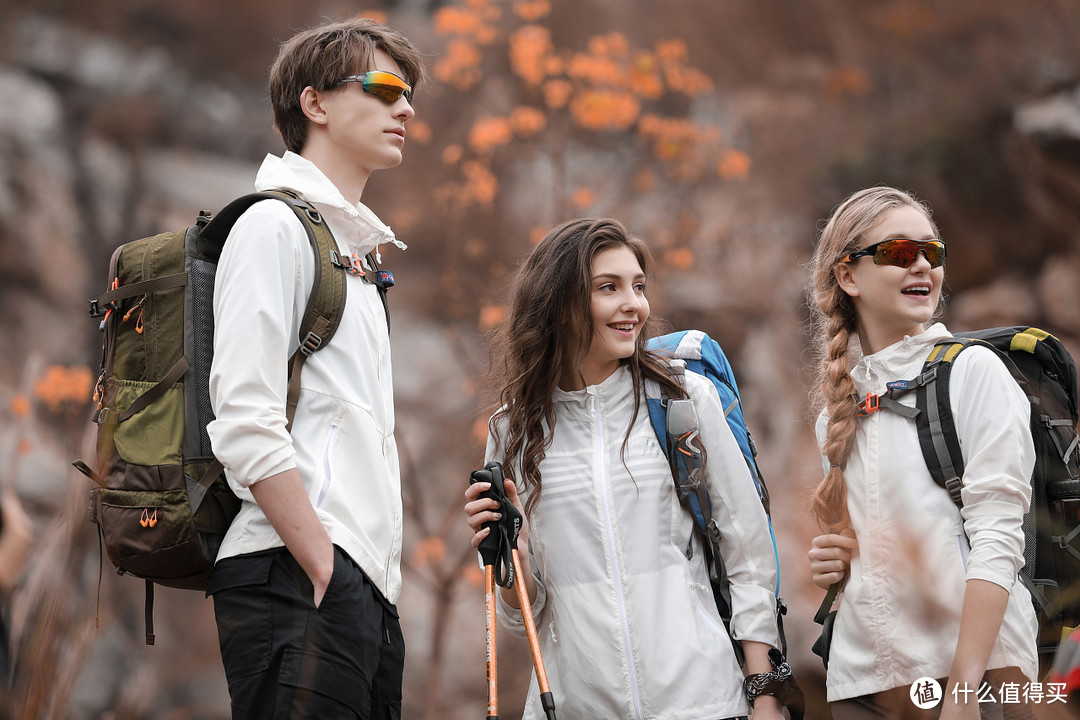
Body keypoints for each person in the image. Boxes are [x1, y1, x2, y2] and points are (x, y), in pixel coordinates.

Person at [463, 218, 785, 720]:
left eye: (638, 286)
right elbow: (521, 615)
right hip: (574, 707)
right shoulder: (514, 432)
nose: (633, 304)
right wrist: (514, 564)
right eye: (607, 288)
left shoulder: (682, 403)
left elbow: (747, 555)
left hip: (702, 702)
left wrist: (763, 692)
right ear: (559, 304)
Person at [204, 18, 425, 719]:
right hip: (299, 572)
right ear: (315, 104)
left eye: (410, 93)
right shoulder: (272, 227)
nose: (407, 108)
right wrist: (323, 562)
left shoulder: (355, 257)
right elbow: (244, 414)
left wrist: (361, 585)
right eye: (386, 88)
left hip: (361, 591)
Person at [805, 186, 1038, 720]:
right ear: (848, 276)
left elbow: (999, 539)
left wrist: (963, 688)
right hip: (862, 684)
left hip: (973, 677)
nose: (922, 267)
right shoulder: (836, 417)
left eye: (932, 252)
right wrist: (837, 563)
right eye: (897, 253)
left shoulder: (973, 372)